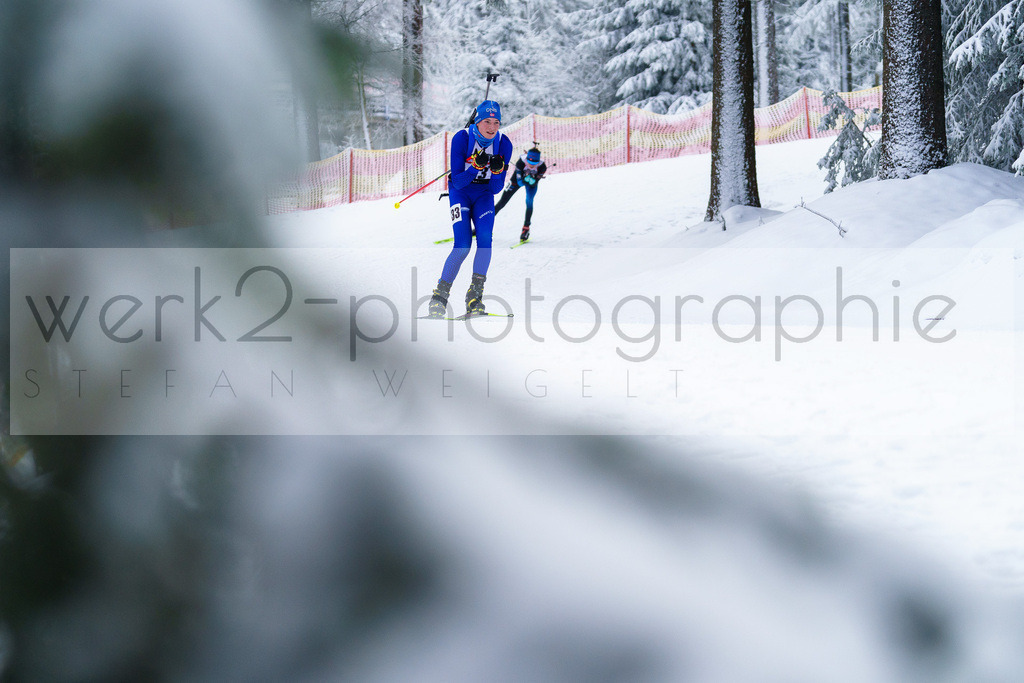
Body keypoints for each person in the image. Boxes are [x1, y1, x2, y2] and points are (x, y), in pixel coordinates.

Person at [428, 100, 514, 318]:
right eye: (487, 121)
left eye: (496, 122)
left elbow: (495, 189)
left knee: (485, 239)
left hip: (484, 195)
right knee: (463, 245)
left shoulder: (504, 144)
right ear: (478, 121)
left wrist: (496, 172)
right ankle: (439, 297)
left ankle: (475, 297)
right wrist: (475, 167)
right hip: (461, 193)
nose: (492, 127)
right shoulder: (462, 138)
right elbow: (457, 182)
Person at [494, 146, 547, 242]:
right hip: (516, 181)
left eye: (534, 164)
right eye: (529, 163)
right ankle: (482, 226)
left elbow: (535, 182)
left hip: (531, 184)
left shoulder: (542, 166)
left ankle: (526, 229)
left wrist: (532, 180)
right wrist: (527, 179)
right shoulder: (521, 162)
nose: (531, 166)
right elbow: (519, 182)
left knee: (529, 202)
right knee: (502, 202)